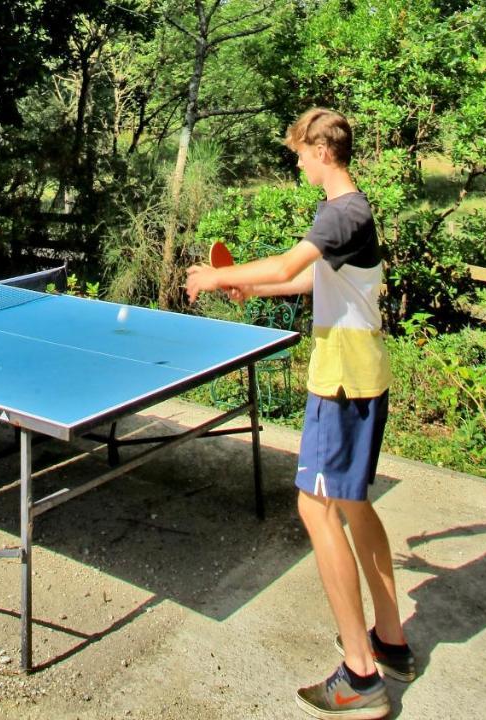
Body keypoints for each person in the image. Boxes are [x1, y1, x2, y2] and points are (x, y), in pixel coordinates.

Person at [185, 108, 412, 720]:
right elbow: (313, 279)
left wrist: (216, 276)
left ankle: (361, 677)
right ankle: (390, 638)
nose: (296, 162)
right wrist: (250, 288)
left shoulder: (340, 211)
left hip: (340, 382)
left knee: (316, 507)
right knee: (354, 502)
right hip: (363, 375)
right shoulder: (354, 214)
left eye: (298, 153)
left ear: (320, 151)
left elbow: (290, 264)